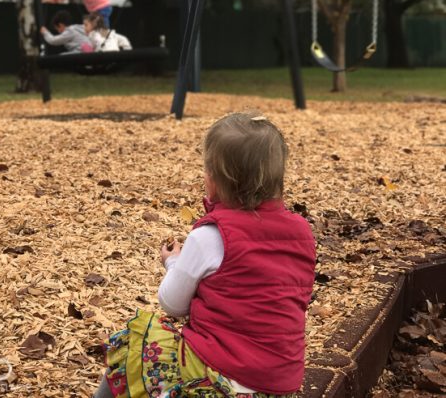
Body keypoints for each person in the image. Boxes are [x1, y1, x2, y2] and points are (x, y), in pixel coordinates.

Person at [93, 112, 317, 398]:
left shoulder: (211, 236)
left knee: (131, 344)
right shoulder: (302, 232)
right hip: (277, 384)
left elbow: (172, 304)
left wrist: (173, 263)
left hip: (217, 378)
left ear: (213, 181)